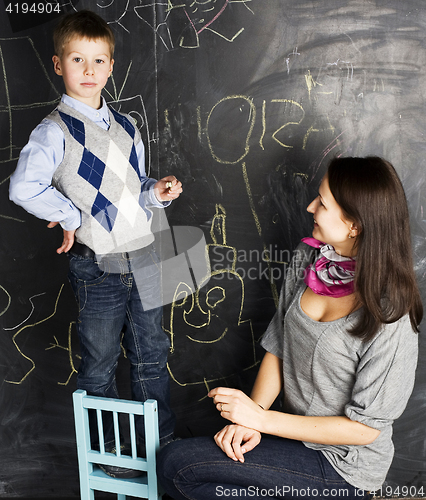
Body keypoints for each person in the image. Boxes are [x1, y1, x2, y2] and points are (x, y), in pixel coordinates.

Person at [157, 156, 423, 499]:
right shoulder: (308, 258)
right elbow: (279, 344)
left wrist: (261, 421)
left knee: (180, 465)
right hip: (293, 440)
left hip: (344, 466)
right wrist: (248, 422)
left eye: (323, 203)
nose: (311, 207)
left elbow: (364, 429)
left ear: (354, 224)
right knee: (179, 467)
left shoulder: (390, 313)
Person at [9, 10, 182, 477]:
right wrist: (68, 214)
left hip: (145, 253)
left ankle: (161, 448)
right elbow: (23, 188)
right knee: (100, 364)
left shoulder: (127, 125)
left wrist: (156, 192)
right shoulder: (54, 131)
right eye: (78, 60)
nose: (89, 71)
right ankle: (111, 456)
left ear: (110, 67)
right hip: (97, 265)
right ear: (58, 64)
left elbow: (134, 187)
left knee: (152, 355)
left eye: (98, 60)